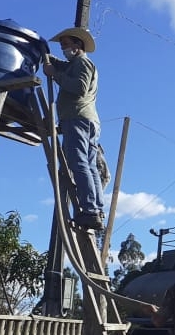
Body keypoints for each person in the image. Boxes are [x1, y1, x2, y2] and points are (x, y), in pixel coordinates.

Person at [43, 27, 104, 230]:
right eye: (62, 47)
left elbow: (79, 88)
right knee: (89, 165)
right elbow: (61, 65)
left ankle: (89, 210)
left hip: (77, 119)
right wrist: (46, 55)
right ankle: (95, 209)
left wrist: (54, 75)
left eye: (67, 45)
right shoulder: (75, 64)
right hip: (87, 120)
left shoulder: (83, 63)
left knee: (79, 164)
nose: (64, 50)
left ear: (78, 45)